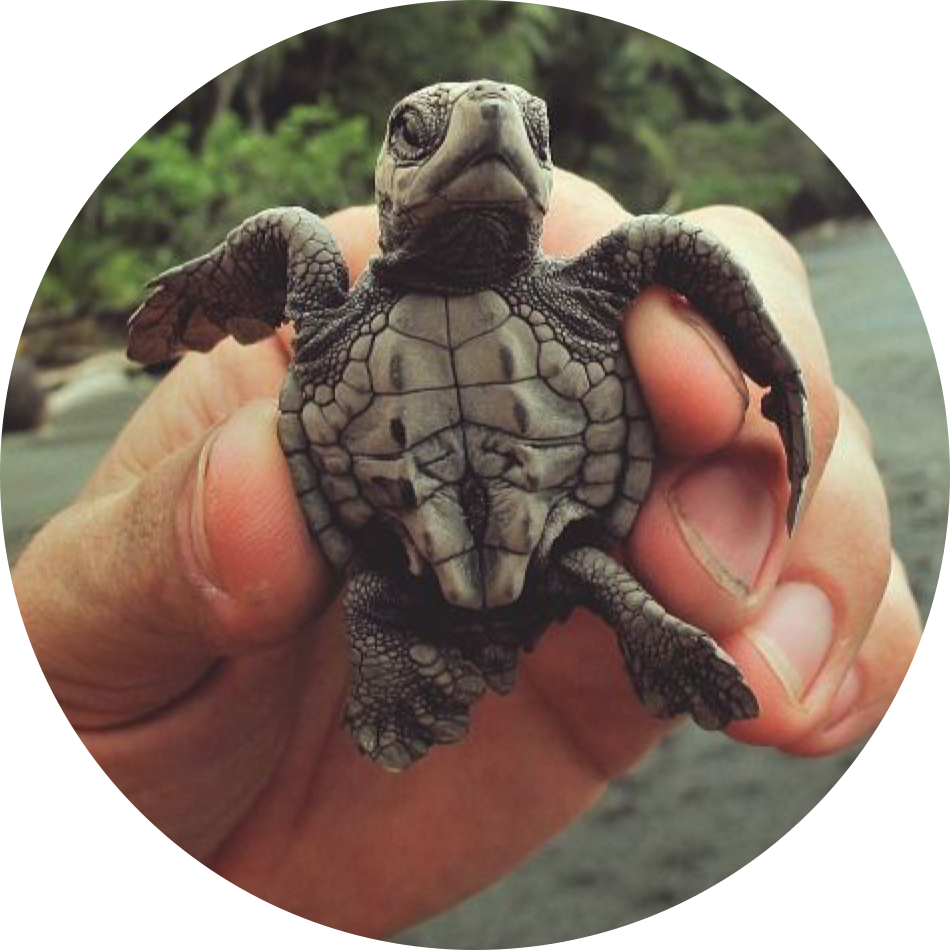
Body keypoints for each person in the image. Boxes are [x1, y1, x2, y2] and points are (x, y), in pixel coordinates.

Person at [13, 170, 920, 936]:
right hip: (406, 572)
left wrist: (780, 376)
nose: (486, 133)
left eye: (525, 132)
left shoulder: (588, 282)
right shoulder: (325, 293)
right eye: (425, 132)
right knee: (395, 594)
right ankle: (635, 630)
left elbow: (674, 251)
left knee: (591, 557)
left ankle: (649, 628)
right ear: (389, 178)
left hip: (539, 547)